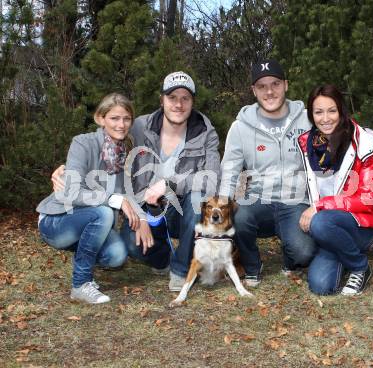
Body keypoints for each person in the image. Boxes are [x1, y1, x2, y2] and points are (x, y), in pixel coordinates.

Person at [37, 93, 155, 304]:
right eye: (114, 118)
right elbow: (69, 192)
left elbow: (128, 193)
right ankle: (81, 284)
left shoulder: (126, 152)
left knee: (117, 256)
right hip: (57, 221)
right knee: (103, 212)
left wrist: (142, 219)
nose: (121, 124)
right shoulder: (83, 143)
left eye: (126, 118)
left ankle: (84, 253)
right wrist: (112, 199)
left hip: (88, 222)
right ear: (100, 119)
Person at [219, 59, 316, 287]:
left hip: (295, 202)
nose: (269, 91)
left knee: (304, 253)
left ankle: (291, 258)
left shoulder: (308, 119)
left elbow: (322, 165)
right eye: (261, 86)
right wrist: (223, 205)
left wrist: (318, 205)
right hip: (258, 200)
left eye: (275, 84)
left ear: (286, 85)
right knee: (239, 216)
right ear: (253, 91)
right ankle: (252, 265)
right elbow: (230, 170)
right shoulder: (241, 126)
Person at [121, 71, 221, 291]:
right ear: (161, 100)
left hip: (183, 212)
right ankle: (163, 258)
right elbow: (106, 140)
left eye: (185, 98)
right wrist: (70, 167)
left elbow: (212, 180)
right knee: (130, 244)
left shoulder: (205, 131)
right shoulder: (139, 127)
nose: (179, 104)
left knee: (198, 199)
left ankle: (181, 269)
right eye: (172, 97)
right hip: (147, 209)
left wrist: (170, 183)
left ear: (193, 102)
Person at [298, 84, 373, 296]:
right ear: (311, 115)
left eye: (332, 110)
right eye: (318, 112)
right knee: (321, 285)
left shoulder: (364, 143)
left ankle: (359, 266)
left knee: (320, 222)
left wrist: (320, 206)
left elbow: (370, 197)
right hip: (331, 225)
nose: (325, 118)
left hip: (364, 224)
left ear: (341, 110)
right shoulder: (308, 144)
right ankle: (343, 249)